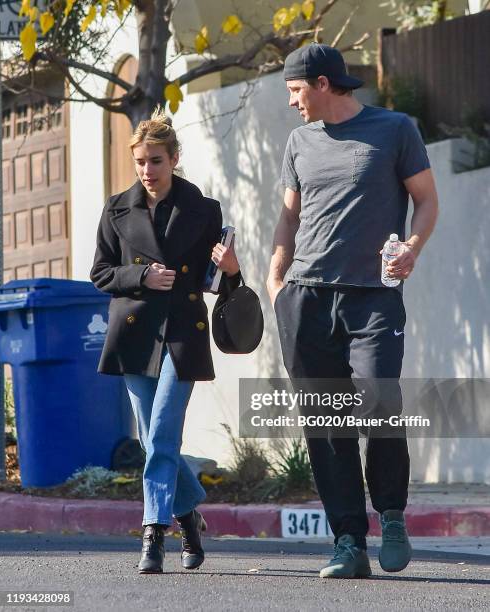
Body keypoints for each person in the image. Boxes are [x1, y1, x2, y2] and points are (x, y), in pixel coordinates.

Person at [267, 44, 438, 578]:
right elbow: (289, 218)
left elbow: (427, 200)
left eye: (295, 92)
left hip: (373, 296)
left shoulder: (395, 129)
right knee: (326, 422)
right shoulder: (299, 141)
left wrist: (412, 247)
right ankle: (347, 542)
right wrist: (276, 279)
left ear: (321, 84)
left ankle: (390, 513)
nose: (292, 103)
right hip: (307, 296)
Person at [90, 108, 240, 574]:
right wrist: (141, 275)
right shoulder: (116, 209)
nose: (147, 171)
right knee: (158, 439)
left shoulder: (203, 210)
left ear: (174, 158)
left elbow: (220, 283)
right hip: (135, 336)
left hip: (182, 335)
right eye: (140, 162)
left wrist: (232, 268)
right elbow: (100, 274)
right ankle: (190, 518)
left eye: (155, 160)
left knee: (162, 433)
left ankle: (153, 534)